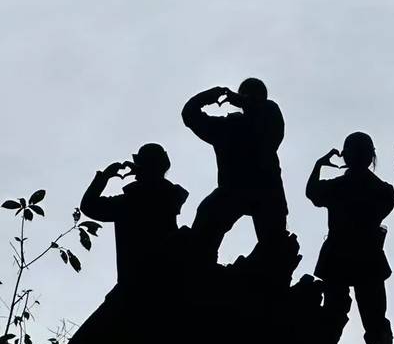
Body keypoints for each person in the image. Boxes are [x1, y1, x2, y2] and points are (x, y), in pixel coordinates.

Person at [306, 133, 394, 344]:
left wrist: (319, 165)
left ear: (346, 156)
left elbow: (312, 192)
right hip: (369, 258)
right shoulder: (384, 191)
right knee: (375, 319)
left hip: (337, 257)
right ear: (370, 156)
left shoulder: (336, 187)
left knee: (334, 314)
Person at [182, 78, 287, 263]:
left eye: (254, 95)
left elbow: (267, 117)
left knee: (275, 248)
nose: (250, 98)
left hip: (265, 192)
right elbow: (189, 114)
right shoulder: (228, 127)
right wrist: (209, 95)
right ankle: (198, 267)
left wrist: (241, 99)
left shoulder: (269, 114)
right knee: (205, 225)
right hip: (238, 190)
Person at [80, 143, 188, 286]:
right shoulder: (169, 195)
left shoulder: (130, 202)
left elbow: (88, 205)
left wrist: (105, 176)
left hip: (136, 283)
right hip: (168, 275)